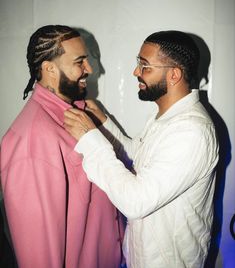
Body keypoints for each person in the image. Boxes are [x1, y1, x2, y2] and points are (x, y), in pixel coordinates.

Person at [64, 30, 219, 268]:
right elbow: (136, 155)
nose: (136, 72)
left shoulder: (192, 131)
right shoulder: (168, 119)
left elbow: (135, 202)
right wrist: (104, 123)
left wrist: (90, 140)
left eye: (144, 66)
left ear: (174, 75)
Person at [0, 25, 125, 268]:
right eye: (80, 62)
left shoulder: (79, 115)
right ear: (49, 69)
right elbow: (38, 256)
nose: (89, 69)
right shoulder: (32, 141)